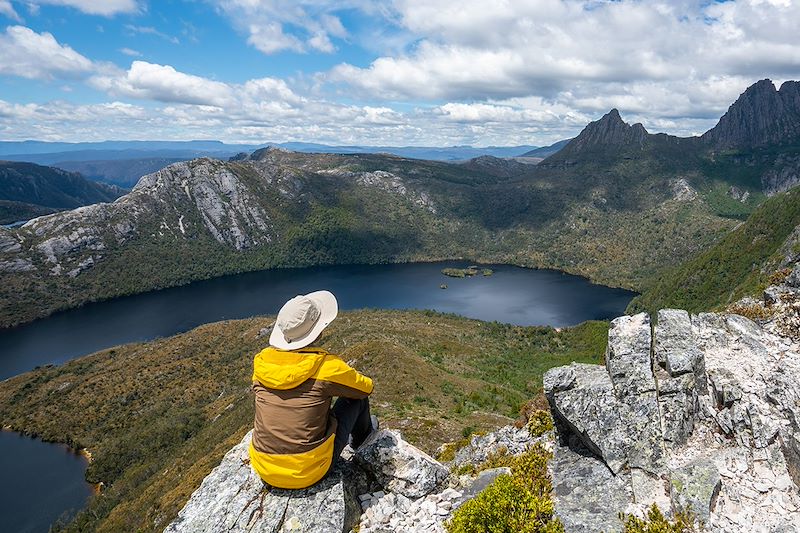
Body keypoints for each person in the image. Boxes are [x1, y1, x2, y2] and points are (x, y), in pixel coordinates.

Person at [248, 290, 377, 489]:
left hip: (265, 468)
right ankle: (363, 445)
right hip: (309, 471)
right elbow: (366, 388)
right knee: (356, 400)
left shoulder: (263, 364)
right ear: (319, 329)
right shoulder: (326, 367)